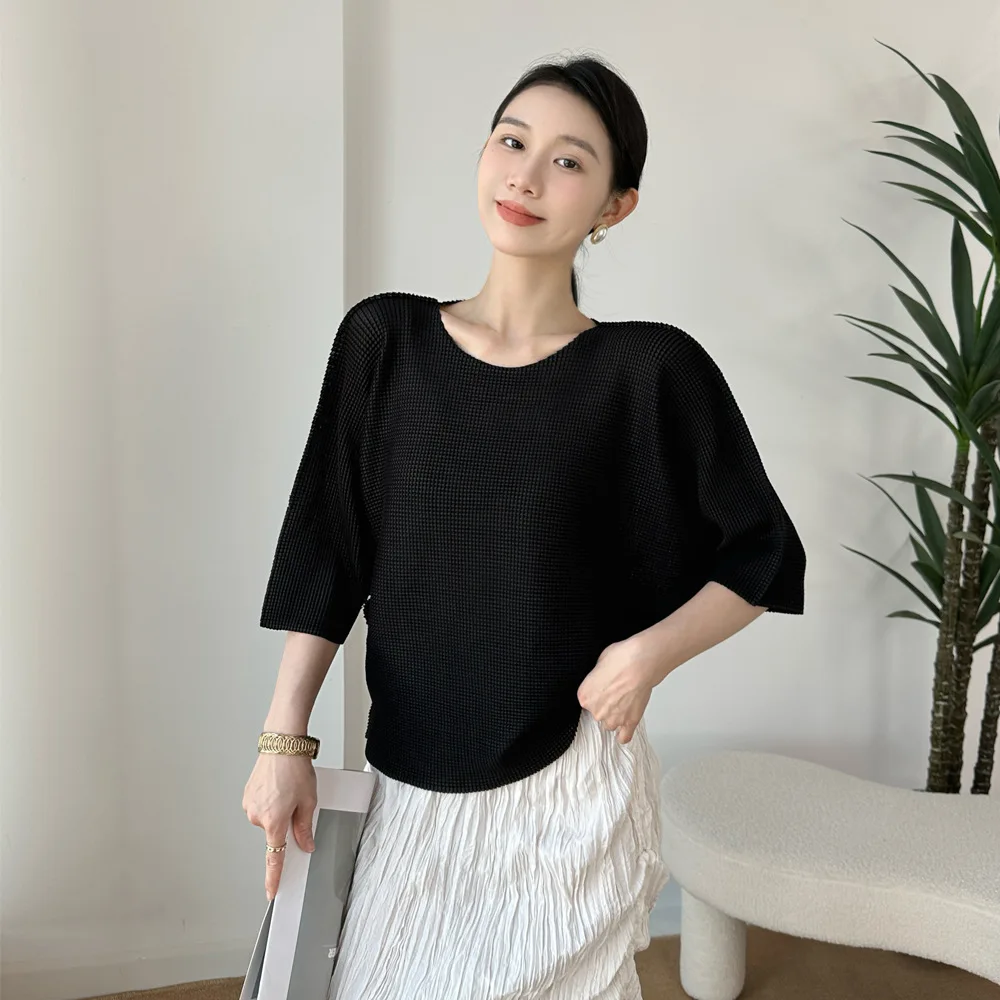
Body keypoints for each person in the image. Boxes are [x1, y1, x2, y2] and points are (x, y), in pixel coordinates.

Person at [242, 54, 806, 1000]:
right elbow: (327, 547)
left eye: (569, 161)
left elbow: (764, 554)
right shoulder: (384, 341)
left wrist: (644, 658)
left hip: (568, 787)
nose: (527, 176)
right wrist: (282, 742)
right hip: (410, 780)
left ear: (616, 206)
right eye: (512, 141)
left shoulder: (646, 371)